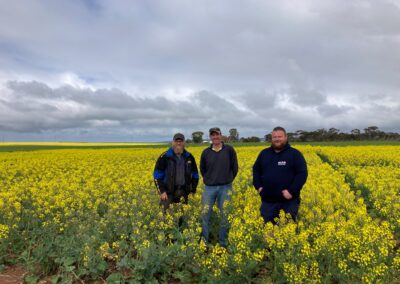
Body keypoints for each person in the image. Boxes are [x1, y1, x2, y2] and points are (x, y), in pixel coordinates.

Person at [252, 126, 308, 224]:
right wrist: (259, 187)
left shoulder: (295, 154)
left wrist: (292, 191)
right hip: (268, 201)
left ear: (285, 137)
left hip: (288, 202)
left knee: (288, 230)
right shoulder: (264, 154)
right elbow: (256, 170)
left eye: (280, 136)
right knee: (268, 231)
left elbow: (302, 174)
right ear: (272, 138)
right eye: (274, 137)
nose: (277, 139)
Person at [200, 127, 238, 247]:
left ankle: (223, 243)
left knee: (225, 215)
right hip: (209, 188)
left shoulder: (229, 150)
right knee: (205, 215)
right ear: (210, 137)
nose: (215, 137)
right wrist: (209, 179)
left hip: (225, 187)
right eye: (213, 135)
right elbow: (203, 169)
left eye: (217, 134)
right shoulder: (206, 152)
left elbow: (235, 167)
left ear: (221, 135)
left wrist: (229, 179)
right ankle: (204, 243)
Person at [153, 133, 199, 212]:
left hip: (184, 191)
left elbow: (195, 174)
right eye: (176, 141)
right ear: (173, 142)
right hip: (167, 192)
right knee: (163, 214)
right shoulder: (165, 156)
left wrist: (193, 190)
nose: (178, 143)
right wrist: (162, 191)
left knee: (181, 216)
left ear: (184, 143)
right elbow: (157, 175)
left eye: (181, 141)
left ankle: (179, 224)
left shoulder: (189, 156)